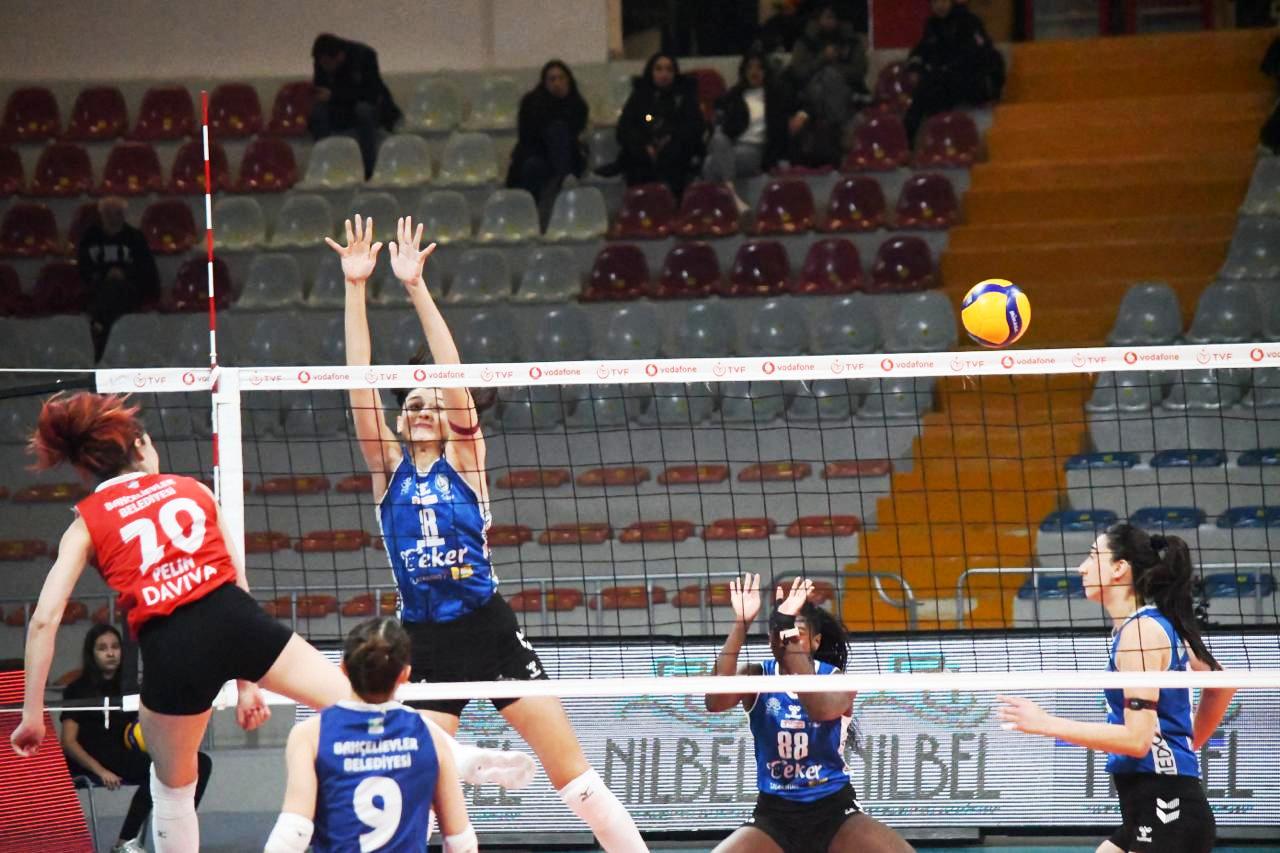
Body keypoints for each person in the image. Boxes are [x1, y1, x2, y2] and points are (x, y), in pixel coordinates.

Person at [9, 392, 528, 853]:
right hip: (235, 620)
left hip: (170, 643)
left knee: (173, 789)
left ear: (86, 467)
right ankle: (460, 758)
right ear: (140, 446)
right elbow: (236, 580)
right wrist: (246, 681)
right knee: (360, 700)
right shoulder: (190, 489)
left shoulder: (87, 520)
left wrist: (34, 713)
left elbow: (45, 621)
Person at [330, 213, 648, 853]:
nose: (423, 410)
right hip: (423, 641)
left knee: (576, 781)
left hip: (489, 629)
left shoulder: (467, 460)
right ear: (399, 423)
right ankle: (465, 774)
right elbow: (360, 385)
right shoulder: (387, 470)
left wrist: (415, 286)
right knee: (420, 797)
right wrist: (355, 287)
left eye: (432, 404)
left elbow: (451, 377)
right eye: (411, 405)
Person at [996, 524, 1237, 853]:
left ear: (1120, 568)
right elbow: (1223, 684)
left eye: (1093, 556)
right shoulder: (1150, 625)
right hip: (1150, 808)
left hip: (1168, 810)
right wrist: (1185, 745)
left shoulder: (1141, 634)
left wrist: (1045, 723)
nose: (1081, 568)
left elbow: (1137, 741)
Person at [705, 574, 914, 853]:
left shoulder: (835, 679)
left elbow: (821, 709)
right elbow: (715, 701)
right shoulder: (757, 676)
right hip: (774, 815)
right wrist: (742, 623)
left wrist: (785, 625)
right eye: (779, 632)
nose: (785, 638)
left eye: (796, 632)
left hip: (834, 812)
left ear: (815, 642)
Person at [265, 616, 474, 853]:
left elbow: (294, 831)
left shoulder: (311, 734)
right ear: (405, 674)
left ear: (343, 669)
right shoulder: (430, 734)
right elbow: (461, 843)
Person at [61, 624, 212, 853]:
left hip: (124, 754)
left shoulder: (131, 687)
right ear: (91, 653)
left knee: (201, 763)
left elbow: (147, 726)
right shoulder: (76, 690)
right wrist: (100, 771)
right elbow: (68, 742)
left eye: (115, 647)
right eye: (102, 648)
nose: (110, 653)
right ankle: (124, 843)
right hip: (89, 758)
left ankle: (177, 825)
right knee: (155, 770)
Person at [703, 51, 802, 207]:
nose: (754, 72)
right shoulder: (735, 95)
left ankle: (719, 206)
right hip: (732, 145)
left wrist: (802, 115)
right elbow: (719, 109)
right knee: (718, 137)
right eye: (750, 67)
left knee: (709, 164)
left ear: (765, 71)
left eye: (759, 68)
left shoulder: (776, 93)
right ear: (744, 71)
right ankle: (732, 195)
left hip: (755, 150)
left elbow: (804, 103)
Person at [902, 0, 1004, 143]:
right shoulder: (932, 25)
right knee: (929, 90)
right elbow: (922, 50)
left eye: (943, 0)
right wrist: (915, 68)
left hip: (973, 80)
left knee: (931, 88)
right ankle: (912, 141)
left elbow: (977, 56)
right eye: (935, 2)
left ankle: (920, 139)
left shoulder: (969, 21)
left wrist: (943, 70)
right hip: (946, 81)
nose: (940, 6)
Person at [610, 52, 707, 198]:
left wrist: (669, 138)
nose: (664, 74)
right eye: (659, 69)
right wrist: (645, 144)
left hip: (677, 154)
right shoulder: (639, 96)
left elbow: (695, 127)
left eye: (669, 70)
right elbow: (624, 128)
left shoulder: (684, 96)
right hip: (643, 152)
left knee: (676, 154)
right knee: (634, 156)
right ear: (651, 72)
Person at [505, 60, 589, 225]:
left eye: (561, 78)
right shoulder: (532, 104)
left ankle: (563, 177)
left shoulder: (577, 105)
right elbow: (528, 137)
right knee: (533, 166)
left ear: (569, 80)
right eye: (552, 79)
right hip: (537, 154)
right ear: (544, 82)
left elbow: (574, 134)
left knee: (558, 130)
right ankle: (530, 215)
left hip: (567, 155)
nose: (557, 83)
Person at [76, 197, 159, 361]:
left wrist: (124, 274)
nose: (113, 217)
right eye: (109, 213)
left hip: (128, 289)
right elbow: (83, 268)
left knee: (116, 288)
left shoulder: (135, 238)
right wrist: (104, 274)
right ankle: (107, 334)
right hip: (98, 288)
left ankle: (100, 326)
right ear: (102, 215)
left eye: (118, 213)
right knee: (109, 290)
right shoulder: (89, 237)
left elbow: (147, 270)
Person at [786, 3, 869, 168]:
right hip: (811, 99)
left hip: (846, 94)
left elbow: (859, 71)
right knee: (823, 80)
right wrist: (822, 59)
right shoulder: (805, 42)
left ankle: (834, 132)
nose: (829, 22)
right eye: (826, 17)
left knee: (830, 76)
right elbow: (799, 72)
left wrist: (834, 66)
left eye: (832, 17)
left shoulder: (851, 42)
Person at [310, 33, 403, 179]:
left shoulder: (365, 56)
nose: (324, 68)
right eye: (321, 63)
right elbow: (320, 88)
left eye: (327, 63)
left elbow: (370, 94)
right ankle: (323, 162)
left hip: (367, 106)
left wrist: (334, 96)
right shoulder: (322, 61)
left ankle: (369, 169)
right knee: (318, 112)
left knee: (363, 111)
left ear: (339, 56)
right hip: (339, 107)